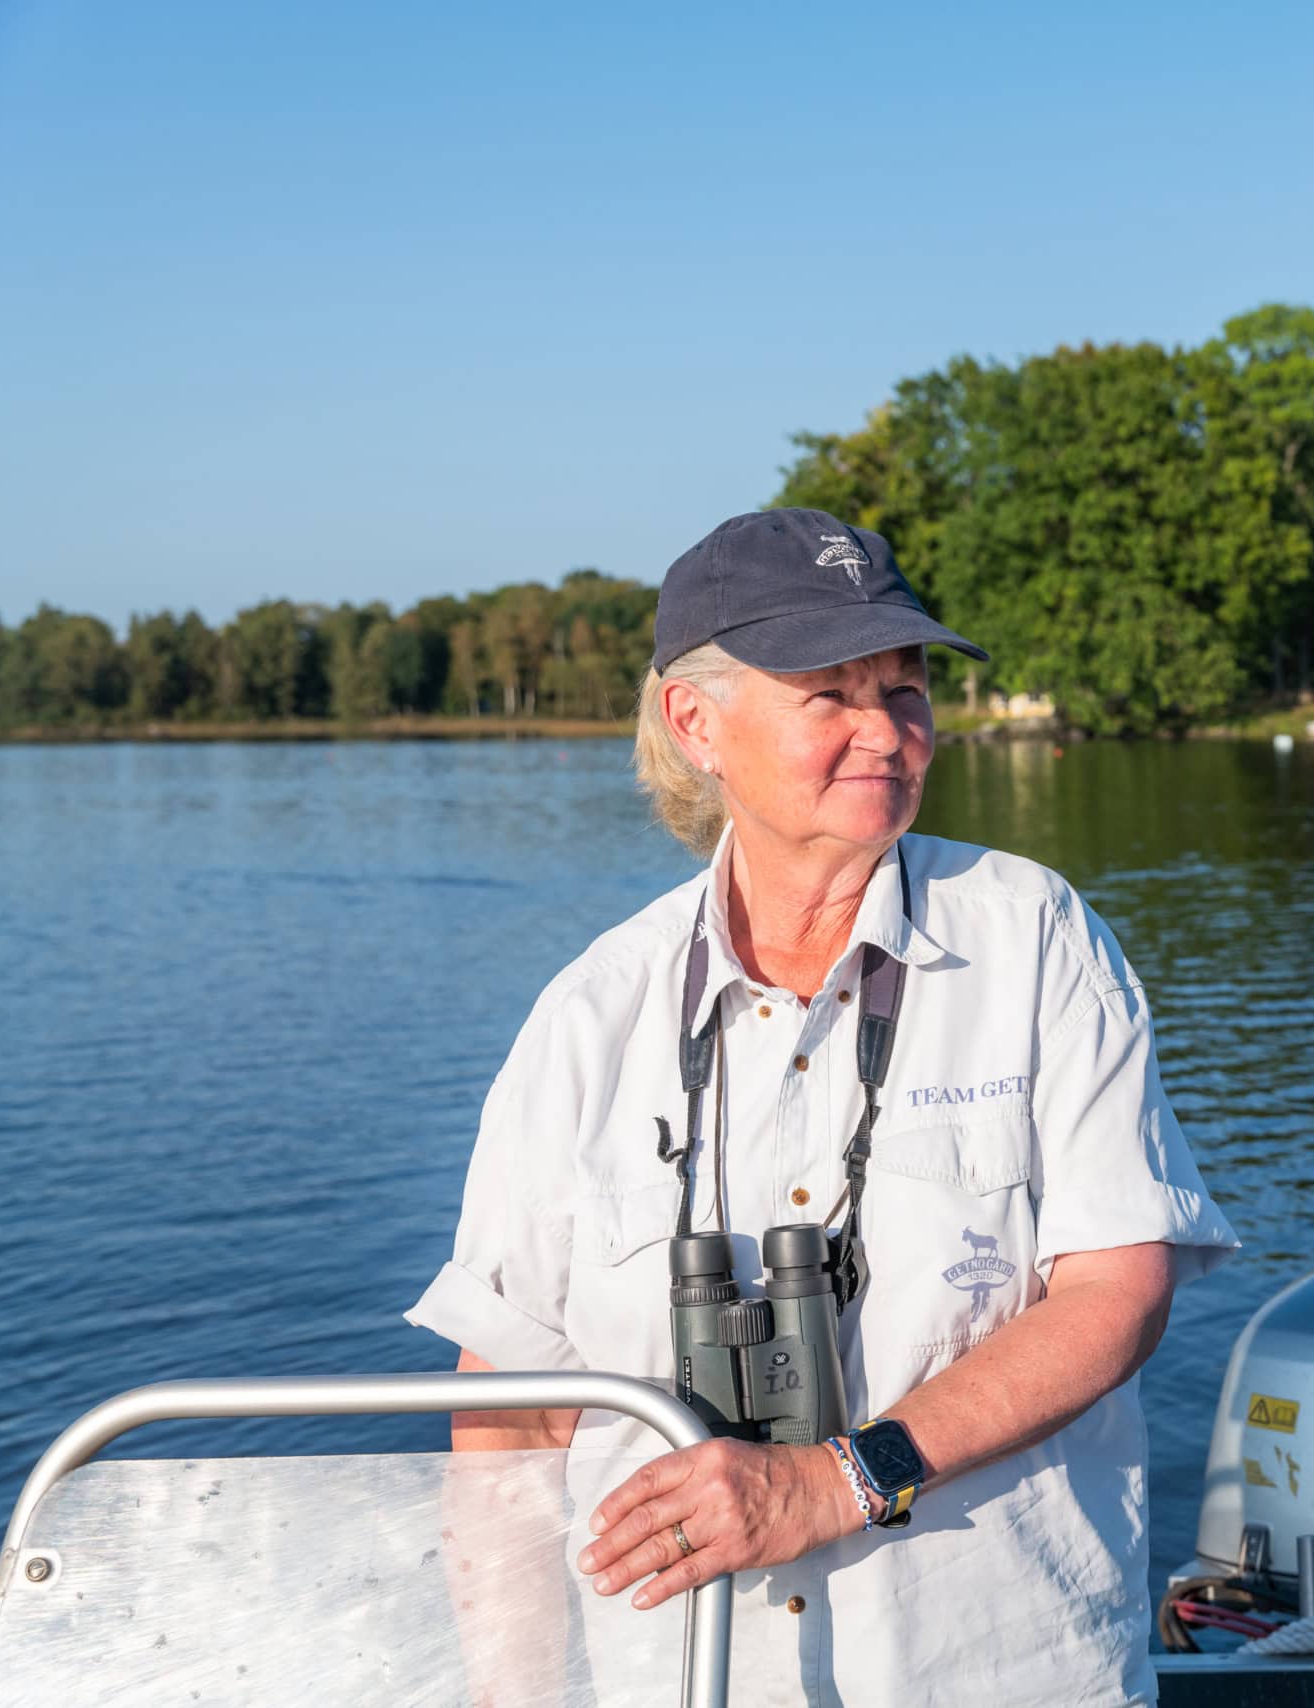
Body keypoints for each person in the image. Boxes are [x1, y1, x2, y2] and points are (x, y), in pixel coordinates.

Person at [406, 508, 1238, 1706]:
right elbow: (508, 1420)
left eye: (903, 687)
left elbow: (1117, 1292)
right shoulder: (589, 1016)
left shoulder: (1035, 937)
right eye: (828, 695)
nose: (885, 730)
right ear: (696, 723)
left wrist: (836, 1479)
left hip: (998, 1678)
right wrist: (512, 1699)